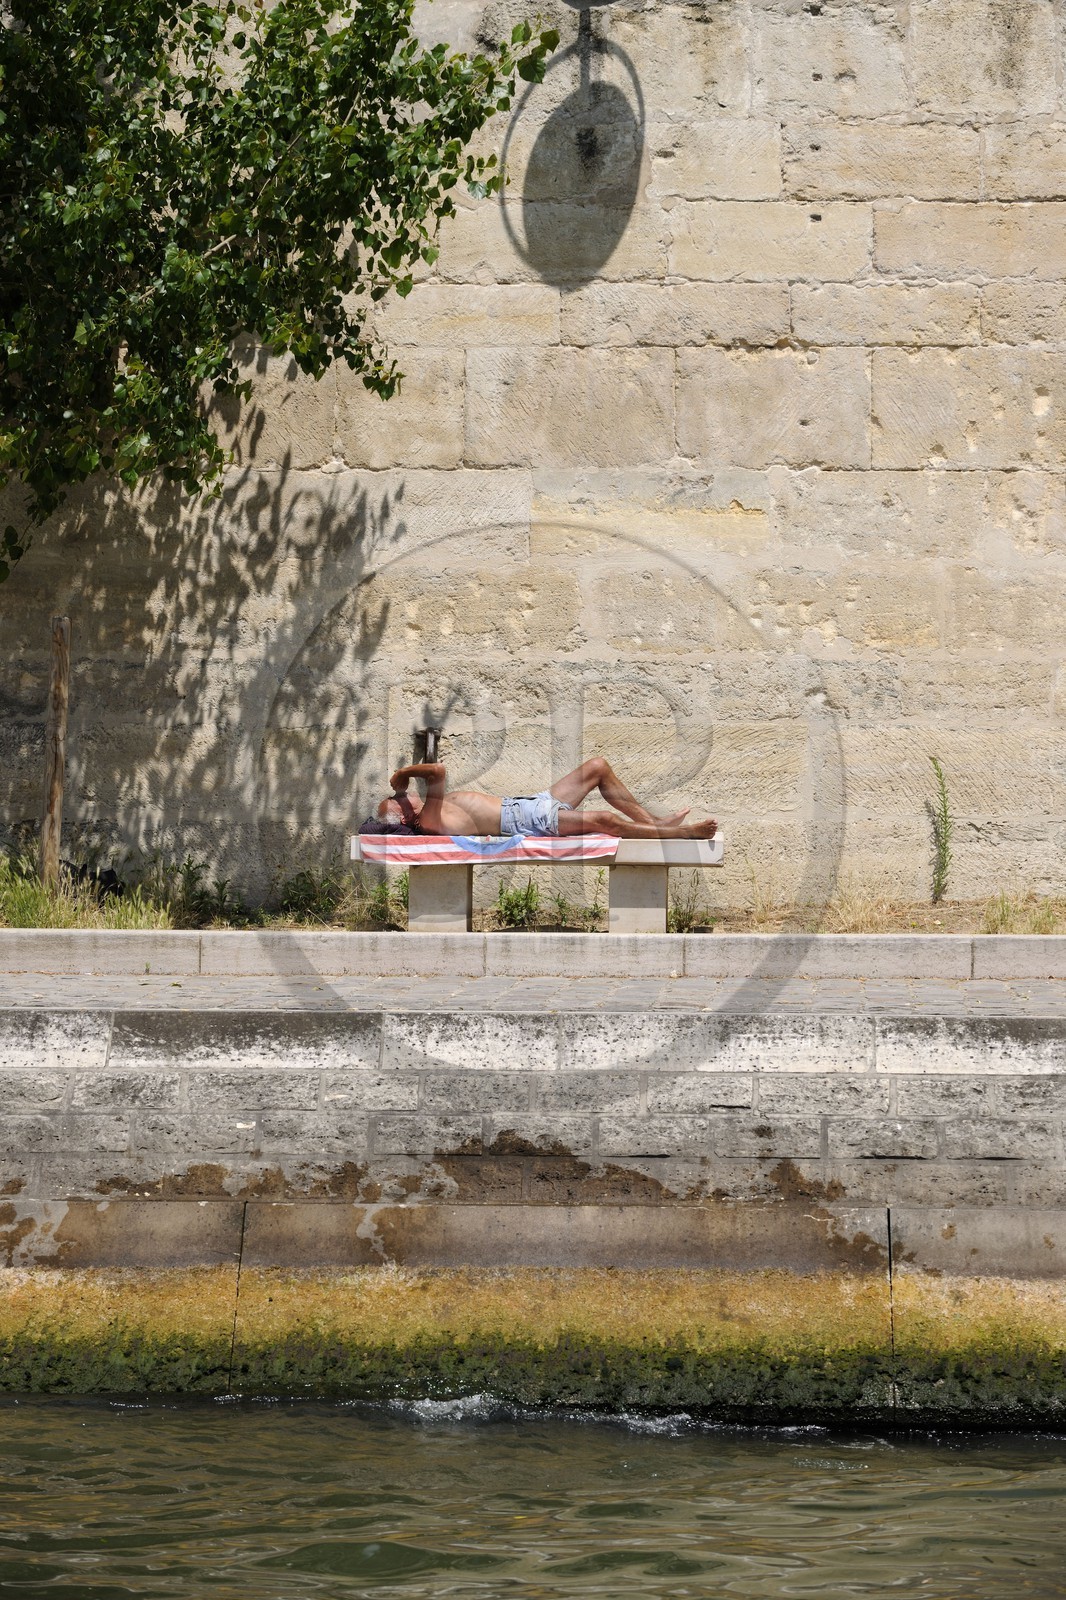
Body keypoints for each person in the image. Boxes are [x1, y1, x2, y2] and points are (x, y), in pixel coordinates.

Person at [359, 758, 717, 839]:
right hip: (527, 821)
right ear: (404, 818)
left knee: (597, 767)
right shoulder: (430, 820)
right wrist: (403, 776)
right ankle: (679, 834)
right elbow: (438, 771)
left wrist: (404, 786)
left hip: (533, 803)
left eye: (399, 796)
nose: (402, 797)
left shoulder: (427, 812)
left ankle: (655, 821)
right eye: (398, 801)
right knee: (604, 822)